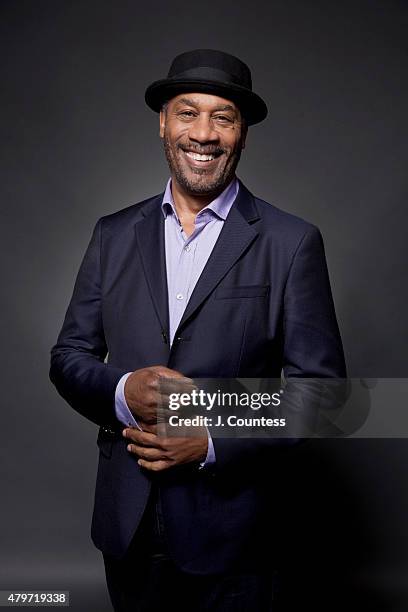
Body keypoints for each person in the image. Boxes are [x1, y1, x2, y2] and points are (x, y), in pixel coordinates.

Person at [50, 49, 346, 611]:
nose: (203, 134)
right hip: (127, 529)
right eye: (188, 113)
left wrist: (211, 439)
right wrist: (122, 390)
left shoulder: (291, 242)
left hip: (237, 537)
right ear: (163, 122)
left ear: (242, 135)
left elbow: (327, 398)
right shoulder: (113, 234)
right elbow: (68, 355)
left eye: (223, 117)